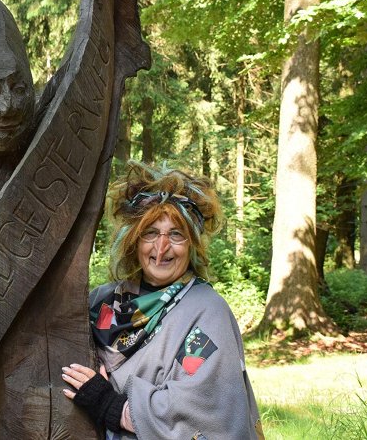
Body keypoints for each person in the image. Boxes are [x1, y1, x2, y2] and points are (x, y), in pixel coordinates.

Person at [62, 160, 263, 439]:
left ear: (192, 244)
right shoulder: (103, 301)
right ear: (134, 240)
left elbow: (203, 414)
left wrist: (110, 405)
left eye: (176, 234)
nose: (161, 248)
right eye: (151, 233)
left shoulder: (208, 312)